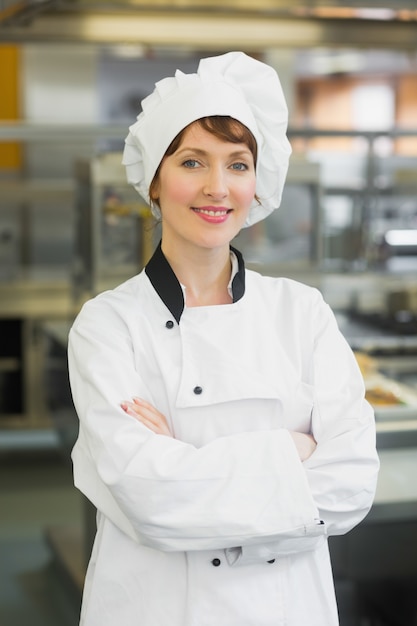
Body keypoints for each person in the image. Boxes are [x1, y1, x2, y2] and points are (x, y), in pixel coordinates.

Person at [68, 51, 379, 626]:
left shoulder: (301, 312)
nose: (217, 187)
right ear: (155, 181)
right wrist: (292, 451)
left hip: (287, 609)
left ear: (257, 184)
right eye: (192, 161)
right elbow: (150, 499)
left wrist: (186, 460)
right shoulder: (107, 324)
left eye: (238, 165)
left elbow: (351, 485)